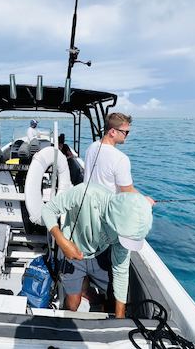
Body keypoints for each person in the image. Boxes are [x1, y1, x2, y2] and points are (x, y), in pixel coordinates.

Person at [41, 183, 153, 318]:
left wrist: (120, 317)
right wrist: (62, 242)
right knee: (72, 305)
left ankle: (85, 285)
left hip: (100, 254)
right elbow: (48, 209)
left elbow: (121, 271)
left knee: (115, 299)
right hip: (72, 250)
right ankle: (83, 285)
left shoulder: (127, 234)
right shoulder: (86, 193)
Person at [84, 113, 154, 204]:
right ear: (113, 132)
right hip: (105, 211)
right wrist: (145, 200)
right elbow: (128, 191)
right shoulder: (121, 158)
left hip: (88, 205)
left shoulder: (91, 147)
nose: (127, 135)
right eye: (125, 132)